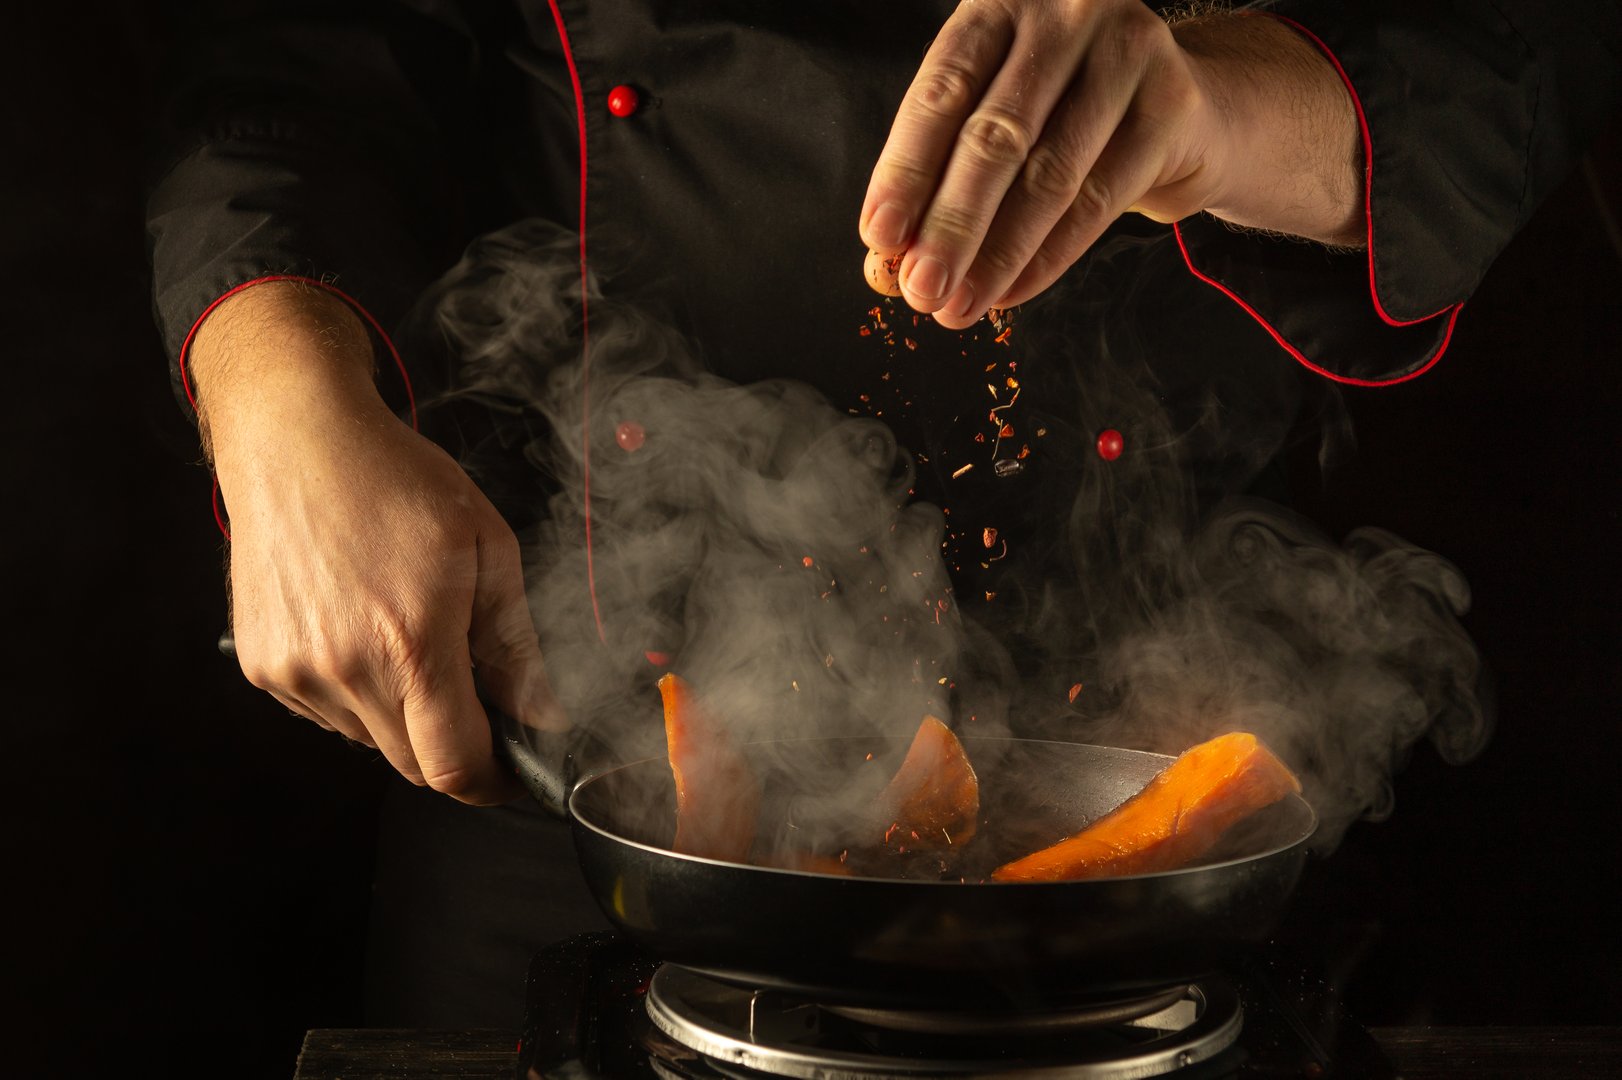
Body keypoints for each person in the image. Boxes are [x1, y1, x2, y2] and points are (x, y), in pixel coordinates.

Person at [146, 0, 1619, 1026]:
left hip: (1156, 802)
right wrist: (276, 400)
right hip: (588, 802)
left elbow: (1515, 44)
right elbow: (296, 65)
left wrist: (1222, 93)